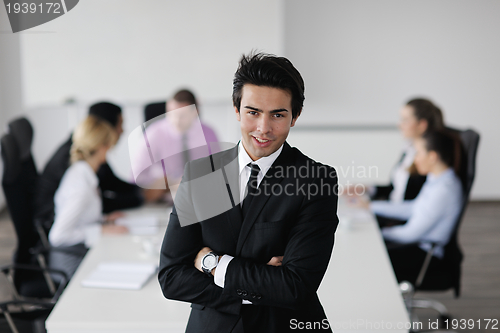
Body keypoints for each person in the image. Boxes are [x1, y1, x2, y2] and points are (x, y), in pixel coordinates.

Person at [158, 53, 339, 333]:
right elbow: (172, 277)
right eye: (253, 112)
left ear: (295, 117)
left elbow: (295, 287)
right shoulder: (199, 175)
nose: (263, 129)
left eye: (278, 115)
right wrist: (260, 288)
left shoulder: (316, 180)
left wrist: (213, 264)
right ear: (236, 109)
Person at [370, 130, 464, 284]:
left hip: (424, 255)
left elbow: (410, 234)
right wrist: (371, 206)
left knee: (372, 258)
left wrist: (378, 233)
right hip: (416, 245)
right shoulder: (437, 179)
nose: (415, 159)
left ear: (432, 156)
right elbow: (412, 208)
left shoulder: (444, 190)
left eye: (418, 153)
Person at [34, 102, 144, 227]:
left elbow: (111, 183)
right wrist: (140, 198)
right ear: (103, 128)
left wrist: (141, 190)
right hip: (53, 223)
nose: (123, 130)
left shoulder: (86, 150)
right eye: (120, 124)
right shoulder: (79, 160)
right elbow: (96, 201)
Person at [133, 89, 220, 202]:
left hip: (199, 199)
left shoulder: (208, 133)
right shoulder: (154, 134)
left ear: (195, 112)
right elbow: (136, 176)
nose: (176, 120)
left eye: (182, 115)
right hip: (162, 199)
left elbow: (219, 170)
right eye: (172, 113)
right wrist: (165, 183)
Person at [370, 98, 444, 202]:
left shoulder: (429, 160)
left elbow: (415, 206)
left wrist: (372, 207)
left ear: (421, 125)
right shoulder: (408, 149)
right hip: (390, 208)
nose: (399, 124)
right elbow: (395, 188)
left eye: (405, 120)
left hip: (400, 214)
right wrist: (368, 189)